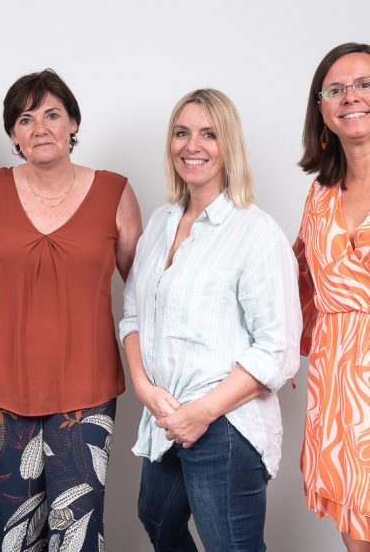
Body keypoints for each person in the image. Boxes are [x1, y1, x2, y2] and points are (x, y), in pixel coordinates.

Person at [120, 88, 301, 552]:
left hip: (225, 423)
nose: (192, 146)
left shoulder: (255, 233)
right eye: (181, 133)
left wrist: (200, 413)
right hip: (166, 415)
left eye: (208, 134)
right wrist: (143, 387)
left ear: (229, 146)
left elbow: (278, 351)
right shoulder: (160, 223)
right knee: (157, 520)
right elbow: (133, 314)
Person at [0, 69, 142, 552]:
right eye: (25, 120)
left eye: (51, 114)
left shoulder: (115, 193)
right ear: (13, 135)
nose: (39, 128)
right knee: (18, 535)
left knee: (77, 534)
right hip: (1, 389)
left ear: (73, 123)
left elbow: (146, 295)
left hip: (86, 390)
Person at [294, 42, 370, 551]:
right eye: (336, 89)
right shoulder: (319, 195)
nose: (351, 97)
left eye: (365, 84)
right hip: (338, 381)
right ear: (321, 110)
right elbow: (297, 278)